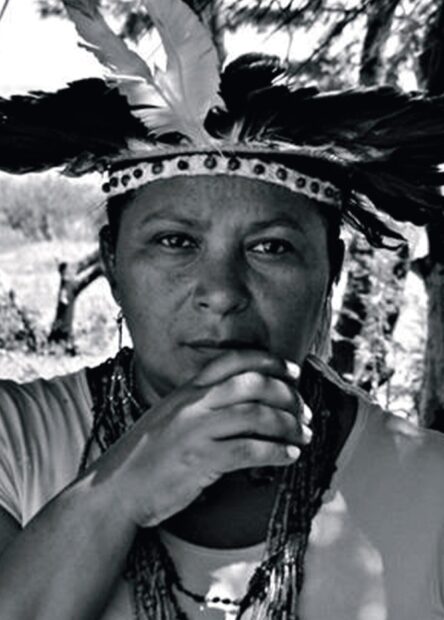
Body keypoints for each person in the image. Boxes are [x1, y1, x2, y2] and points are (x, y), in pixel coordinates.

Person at [0, 1, 444, 619]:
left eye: (271, 247)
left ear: (331, 272)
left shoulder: (431, 485)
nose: (222, 291)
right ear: (113, 264)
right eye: (175, 241)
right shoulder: (14, 443)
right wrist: (120, 491)